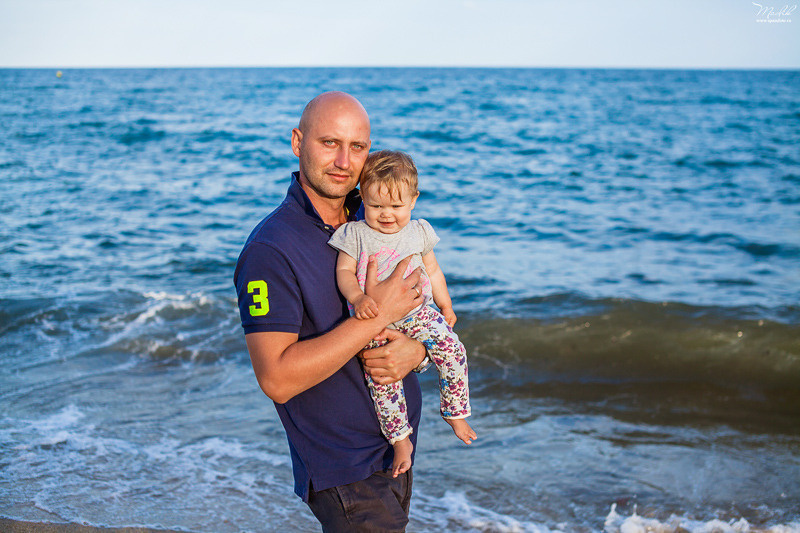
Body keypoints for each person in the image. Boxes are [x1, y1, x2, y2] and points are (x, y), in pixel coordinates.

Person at [233, 91, 430, 532]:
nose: (344, 161)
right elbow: (277, 380)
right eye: (329, 143)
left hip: (394, 446)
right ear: (297, 142)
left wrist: (418, 352)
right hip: (342, 467)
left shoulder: (375, 220)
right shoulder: (271, 249)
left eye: (357, 147)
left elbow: (424, 307)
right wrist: (378, 317)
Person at [328, 150, 476, 478]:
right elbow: (344, 272)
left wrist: (446, 305)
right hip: (373, 319)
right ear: (362, 197)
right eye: (376, 205)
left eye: (396, 206)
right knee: (383, 379)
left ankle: (455, 410)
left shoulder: (419, 232)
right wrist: (357, 297)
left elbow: (434, 271)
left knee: (452, 348)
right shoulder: (355, 234)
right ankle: (400, 440)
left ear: (413, 200)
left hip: (417, 312)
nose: (386, 215)